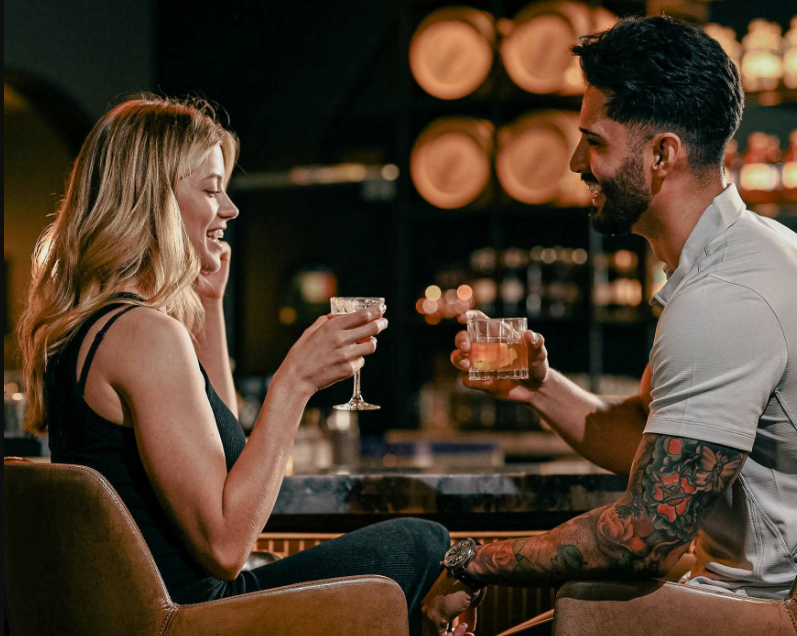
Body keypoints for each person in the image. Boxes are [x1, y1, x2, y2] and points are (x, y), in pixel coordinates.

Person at [16, 95, 477, 636]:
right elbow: (226, 545)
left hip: (160, 612)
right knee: (425, 544)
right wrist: (296, 382)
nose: (231, 209)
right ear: (153, 200)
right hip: (194, 618)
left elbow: (219, 449)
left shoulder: (92, 328)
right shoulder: (143, 333)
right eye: (212, 190)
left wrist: (210, 309)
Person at [443, 14, 797, 610]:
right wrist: (539, 387)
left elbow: (643, 536)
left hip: (771, 617)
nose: (574, 162)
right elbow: (653, 447)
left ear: (661, 154)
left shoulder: (722, 299)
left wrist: (471, 560)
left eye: (594, 141)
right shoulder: (756, 252)